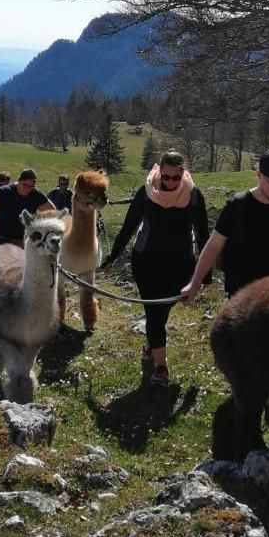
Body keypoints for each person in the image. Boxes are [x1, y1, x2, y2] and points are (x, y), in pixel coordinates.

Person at [181, 148, 269, 427]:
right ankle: (247, 408)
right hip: (242, 297)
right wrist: (195, 283)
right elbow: (213, 247)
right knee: (248, 357)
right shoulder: (237, 206)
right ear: (258, 175)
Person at [99, 150, 209, 386]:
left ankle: (151, 344)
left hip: (180, 264)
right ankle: (162, 367)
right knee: (154, 314)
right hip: (146, 262)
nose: (169, 183)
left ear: (183, 174)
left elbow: (203, 234)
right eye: (165, 177)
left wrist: (205, 272)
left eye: (175, 178)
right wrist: (113, 256)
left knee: (162, 311)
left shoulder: (193, 196)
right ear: (159, 171)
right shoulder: (147, 192)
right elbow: (129, 226)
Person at [0, 169, 55, 251]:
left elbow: (52, 211)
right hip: (2, 239)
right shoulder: (5, 192)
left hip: (22, 241)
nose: (27, 189)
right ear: (19, 181)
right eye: (25, 185)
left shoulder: (35, 194)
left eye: (31, 186)